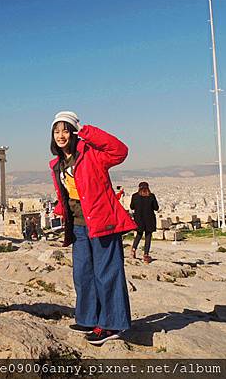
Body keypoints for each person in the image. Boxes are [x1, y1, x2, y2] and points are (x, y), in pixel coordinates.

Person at [49, 111, 136, 345]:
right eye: (56, 131)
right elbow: (68, 194)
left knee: (106, 273)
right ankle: (88, 317)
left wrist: (87, 131)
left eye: (66, 129)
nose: (61, 135)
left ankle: (112, 324)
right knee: (83, 274)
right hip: (77, 226)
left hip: (101, 221)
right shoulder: (57, 164)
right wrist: (60, 211)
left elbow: (120, 151)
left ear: (74, 132)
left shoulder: (92, 155)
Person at [130, 182, 159, 264]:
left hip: (138, 219)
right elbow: (156, 208)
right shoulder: (151, 196)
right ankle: (146, 255)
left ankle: (133, 250)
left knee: (138, 235)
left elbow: (132, 206)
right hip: (149, 219)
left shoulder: (135, 196)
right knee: (148, 237)